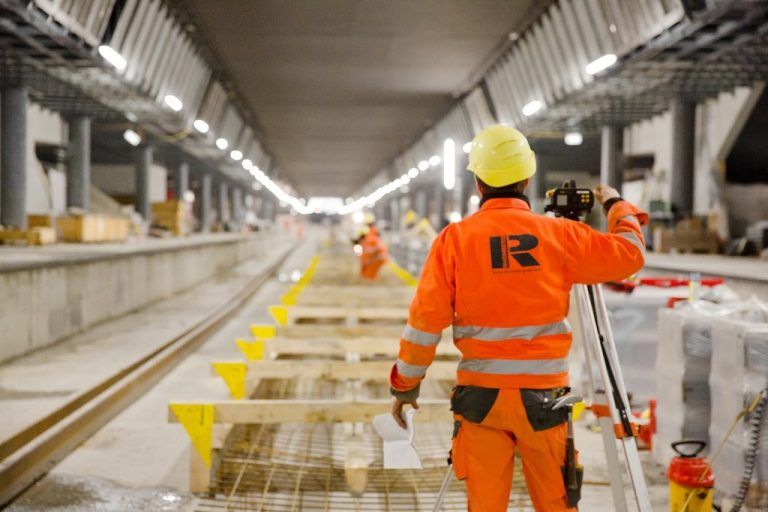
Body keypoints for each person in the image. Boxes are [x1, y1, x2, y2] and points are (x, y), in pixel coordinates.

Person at [388, 124, 648, 511]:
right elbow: (630, 254)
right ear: (527, 179)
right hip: (544, 401)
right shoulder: (559, 234)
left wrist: (405, 384)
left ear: (478, 183)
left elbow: (424, 324)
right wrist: (616, 205)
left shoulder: (454, 240)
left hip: (480, 402)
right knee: (557, 503)